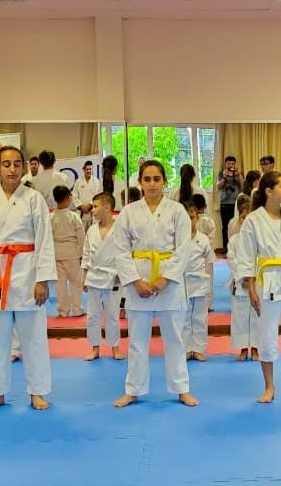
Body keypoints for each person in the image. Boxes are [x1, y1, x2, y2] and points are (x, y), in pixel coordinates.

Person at [0, 146, 56, 411]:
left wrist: (43, 279)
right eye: (6, 164)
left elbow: (44, 240)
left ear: (24, 167)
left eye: (17, 164)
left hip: (28, 270)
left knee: (34, 337)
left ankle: (37, 391)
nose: (12, 169)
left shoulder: (34, 199)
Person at [110, 159, 199, 408]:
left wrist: (165, 278)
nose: (151, 184)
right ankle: (133, 390)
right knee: (137, 341)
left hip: (169, 282)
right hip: (138, 280)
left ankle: (182, 389)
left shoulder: (177, 211)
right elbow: (120, 250)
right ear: (140, 182)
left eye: (156, 179)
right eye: (147, 179)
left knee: (175, 339)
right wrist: (135, 281)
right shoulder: (128, 212)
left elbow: (183, 248)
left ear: (164, 181)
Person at [237, 171, 281, 402]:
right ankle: (269, 387)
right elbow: (246, 256)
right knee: (267, 337)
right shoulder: (253, 220)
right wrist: (251, 288)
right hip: (266, 282)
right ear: (268, 191)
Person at [82, 192, 123, 361]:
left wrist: (122, 274)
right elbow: (86, 254)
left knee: (112, 315)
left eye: (95, 206)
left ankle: (115, 347)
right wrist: (84, 277)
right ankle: (95, 347)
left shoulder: (120, 229)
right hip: (93, 276)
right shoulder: (91, 230)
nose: (92, 210)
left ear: (107, 207)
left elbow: (125, 253)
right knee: (93, 315)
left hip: (113, 276)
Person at [226, 198, 259, 362]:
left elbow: (260, 260)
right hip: (240, 284)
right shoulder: (234, 240)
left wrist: (252, 277)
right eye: (242, 217)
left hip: (256, 283)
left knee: (257, 316)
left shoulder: (259, 240)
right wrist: (243, 277)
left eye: (248, 217)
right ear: (239, 219)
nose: (245, 220)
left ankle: (256, 348)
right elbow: (232, 259)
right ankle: (243, 348)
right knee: (240, 317)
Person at [183, 201, 215, 362]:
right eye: (186, 218)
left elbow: (209, 263)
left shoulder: (203, 239)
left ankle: (199, 349)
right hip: (183, 282)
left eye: (192, 217)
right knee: (184, 317)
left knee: (200, 317)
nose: (190, 221)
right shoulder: (177, 238)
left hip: (201, 281)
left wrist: (210, 288)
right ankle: (186, 349)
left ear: (197, 218)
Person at [52, 185, 85, 319]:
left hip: (56, 253)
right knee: (76, 283)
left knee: (60, 284)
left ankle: (63, 310)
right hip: (72, 253)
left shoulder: (50, 217)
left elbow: (48, 238)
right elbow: (81, 237)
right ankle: (77, 309)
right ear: (68, 198)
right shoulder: (74, 216)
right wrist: (82, 255)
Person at [217, 155, 244, 251]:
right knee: (225, 226)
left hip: (236, 203)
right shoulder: (221, 173)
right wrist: (224, 177)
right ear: (225, 164)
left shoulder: (238, 173)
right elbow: (218, 186)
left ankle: (236, 247)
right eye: (229, 163)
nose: (231, 165)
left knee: (236, 225)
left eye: (233, 163)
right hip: (224, 203)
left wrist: (239, 174)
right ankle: (226, 247)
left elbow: (243, 185)